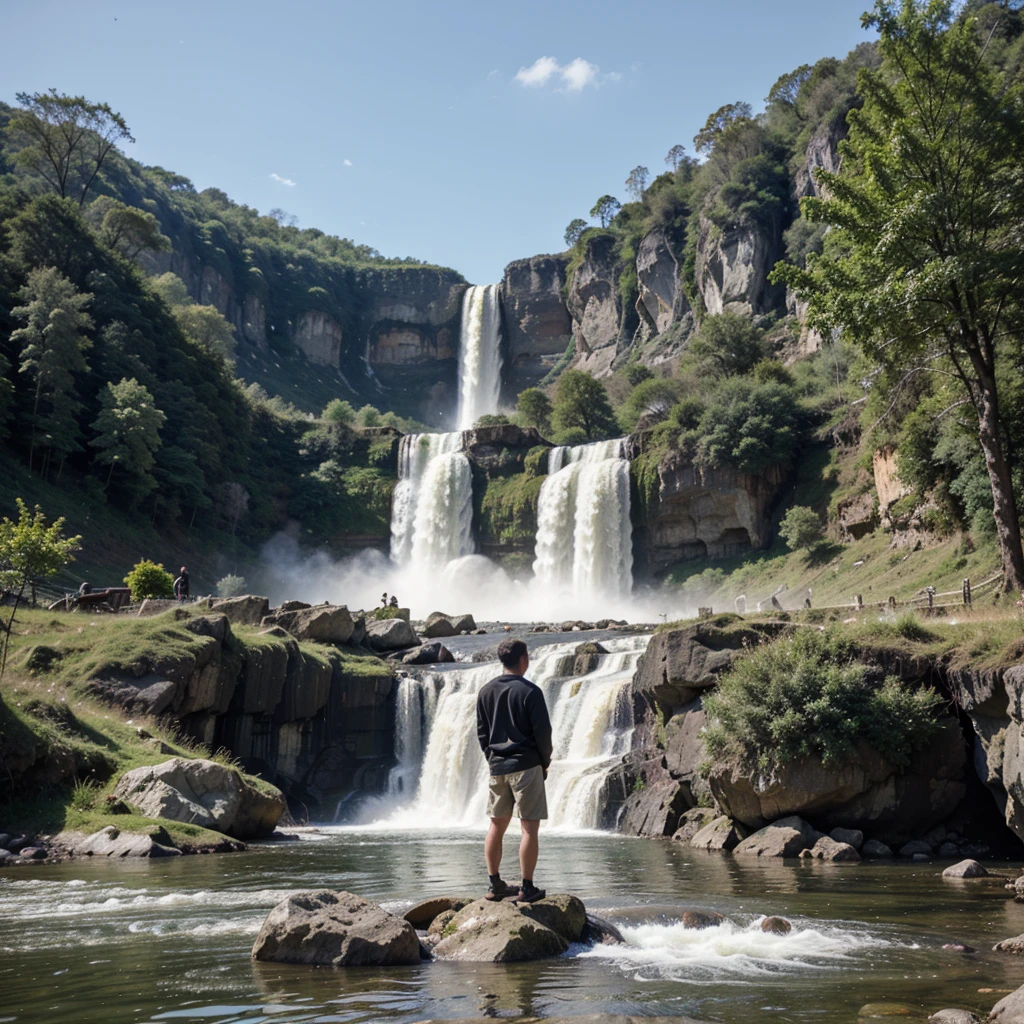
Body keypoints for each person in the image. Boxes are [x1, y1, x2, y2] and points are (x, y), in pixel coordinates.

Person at [476, 637, 553, 904]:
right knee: (529, 828)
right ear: (523, 659)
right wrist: (545, 761)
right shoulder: (530, 692)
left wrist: (492, 758)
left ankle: (494, 883)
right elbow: (544, 733)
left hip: (497, 766)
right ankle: (527, 887)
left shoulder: (485, 691)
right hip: (526, 764)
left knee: (496, 824)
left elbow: (482, 733)